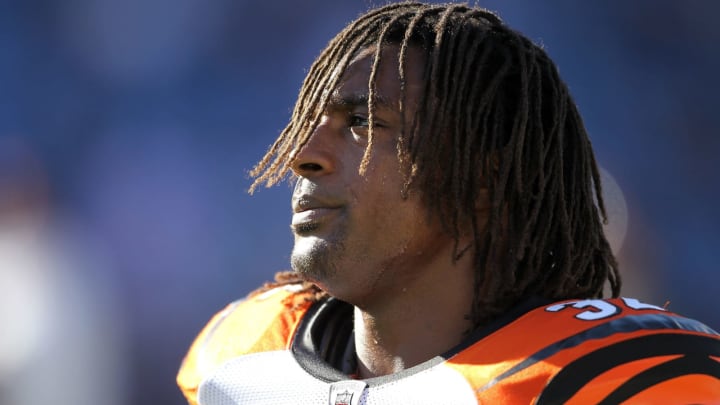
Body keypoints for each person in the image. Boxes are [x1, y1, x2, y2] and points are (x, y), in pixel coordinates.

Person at [177, 3, 720, 404]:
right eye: (308, 126)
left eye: (363, 123)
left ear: (480, 178)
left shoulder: (611, 379)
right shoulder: (243, 360)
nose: (302, 157)